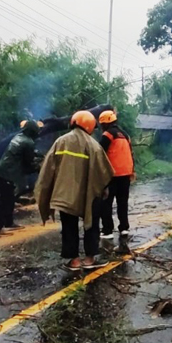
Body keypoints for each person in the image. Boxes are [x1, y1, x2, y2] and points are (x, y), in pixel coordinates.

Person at [36, 111, 113, 271]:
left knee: (69, 226)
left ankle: (74, 261)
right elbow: (104, 172)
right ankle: (90, 259)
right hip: (88, 196)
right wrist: (104, 190)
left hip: (65, 196)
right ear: (90, 126)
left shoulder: (60, 142)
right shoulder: (94, 145)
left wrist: (47, 191)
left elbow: (47, 169)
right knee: (91, 224)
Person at [0, 119, 42, 235]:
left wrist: (36, 155)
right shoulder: (28, 142)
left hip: (2, 170)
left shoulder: (19, 136)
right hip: (7, 173)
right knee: (5, 200)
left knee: (9, 199)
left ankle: (9, 223)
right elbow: (29, 162)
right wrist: (39, 167)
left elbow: (23, 153)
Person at [97, 110, 135, 240]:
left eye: (102, 124)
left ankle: (107, 230)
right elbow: (131, 154)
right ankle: (124, 228)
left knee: (105, 203)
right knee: (122, 202)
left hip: (111, 175)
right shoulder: (125, 135)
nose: (101, 127)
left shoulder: (108, 135)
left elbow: (99, 152)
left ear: (105, 124)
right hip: (126, 174)